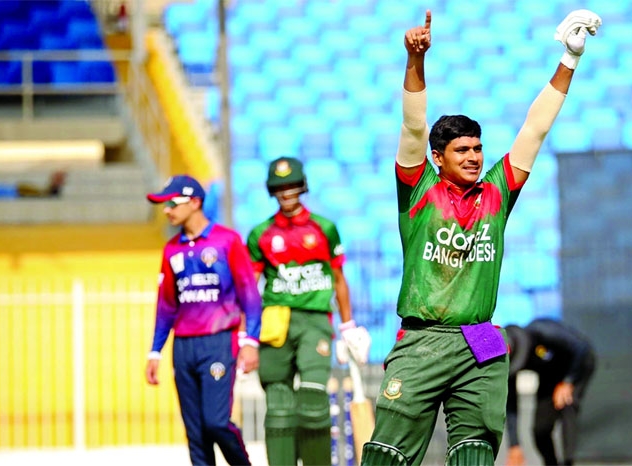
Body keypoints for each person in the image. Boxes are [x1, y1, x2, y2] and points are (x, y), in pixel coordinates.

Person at [359, 9, 602, 466]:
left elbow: (535, 129)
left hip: (480, 340)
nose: (473, 157)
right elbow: (413, 127)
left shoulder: (497, 192)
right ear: (438, 157)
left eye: (477, 148)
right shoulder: (419, 191)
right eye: (462, 150)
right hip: (422, 339)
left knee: (474, 455)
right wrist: (416, 61)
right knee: (387, 456)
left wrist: (569, 58)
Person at [245, 156, 371, 466]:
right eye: (280, 188)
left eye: (291, 186)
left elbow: (339, 279)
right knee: (278, 407)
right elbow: (250, 289)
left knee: (314, 399)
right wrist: (245, 337)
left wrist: (348, 325)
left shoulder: (324, 228)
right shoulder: (261, 233)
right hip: (276, 321)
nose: (286, 193)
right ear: (272, 191)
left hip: (315, 319)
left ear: (302, 187)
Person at [144, 174, 262, 466]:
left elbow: (250, 295)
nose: (167, 210)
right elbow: (167, 306)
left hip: (219, 342)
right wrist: (155, 351)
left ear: (195, 202)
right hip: (183, 347)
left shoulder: (227, 241)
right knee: (196, 433)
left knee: (216, 421)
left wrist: (251, 342)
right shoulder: (172, 249)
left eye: (172, 203)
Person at [504, 319, 596, 466]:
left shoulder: (543, 332)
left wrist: (568, 381)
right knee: (540, 428)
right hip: (549, 377)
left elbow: (581, 349)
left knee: (567, 405)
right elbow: (511, 405)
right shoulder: (510, 363)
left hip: (576, 365)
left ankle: (569, 461)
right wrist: (514, 445)